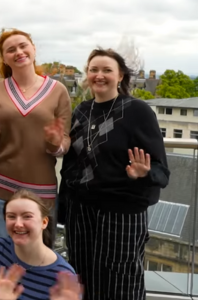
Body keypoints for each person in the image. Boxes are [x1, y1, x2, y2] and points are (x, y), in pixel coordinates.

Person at [59, 48, 170, 300]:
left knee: (120, 281)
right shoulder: (81, 111)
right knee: (81, 276)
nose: (99, 75)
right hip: (81, 211)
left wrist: (143, 172)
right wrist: (64, 209)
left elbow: (161, 169)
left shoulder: (137, 111)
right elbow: (71, 164)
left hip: (121, 211)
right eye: (93, 70)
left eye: (107, 70)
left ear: (120, 76)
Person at [0, 29, 72, 261]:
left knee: (37, 260)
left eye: (23, 46)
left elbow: (64, 144)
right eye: (11, 50)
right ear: (4, 58)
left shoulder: (58, 91)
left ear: (33, 49)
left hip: (39, 192)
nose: (18, 52)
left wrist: (56, 143)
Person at [0, 189, 76, 300]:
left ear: (44, 222)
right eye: (11, 216)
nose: (18, 224)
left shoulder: (63, 275)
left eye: (27, 216)